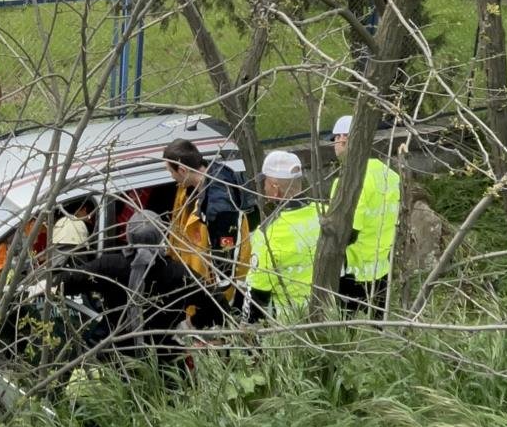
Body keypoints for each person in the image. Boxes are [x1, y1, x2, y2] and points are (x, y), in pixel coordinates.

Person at [50, 210, 227, 362]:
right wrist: (193, 322)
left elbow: (66, 281)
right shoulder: (177, 273)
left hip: (118, 362)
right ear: (161, 235)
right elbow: (217, 301)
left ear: (128, 235)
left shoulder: (110, 266)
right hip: (166, 363)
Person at [328, 114, 401, 315]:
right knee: (377, 333)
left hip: (353, 272)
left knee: (347, 335)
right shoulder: (390, 175)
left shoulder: (349, 182)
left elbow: (348, 233)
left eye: (335, 139)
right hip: (382, 268)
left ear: (344, 138)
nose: (335, 144)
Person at [240, 150, 321, 323]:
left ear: (275, 189)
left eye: (266, 182)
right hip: (328, 315)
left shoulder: (268, 233)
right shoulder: (323, 214)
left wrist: (247, 330)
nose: (264, 188)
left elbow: (256, 292)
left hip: (290, 325)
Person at [162, 139, 254, 289]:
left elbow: (225, 269)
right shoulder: (193, 185)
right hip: (194, 275)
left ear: (183, 171)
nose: (171, 176)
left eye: (171, 171)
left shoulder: (219, 211)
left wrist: (217, 298)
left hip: (210, 288)